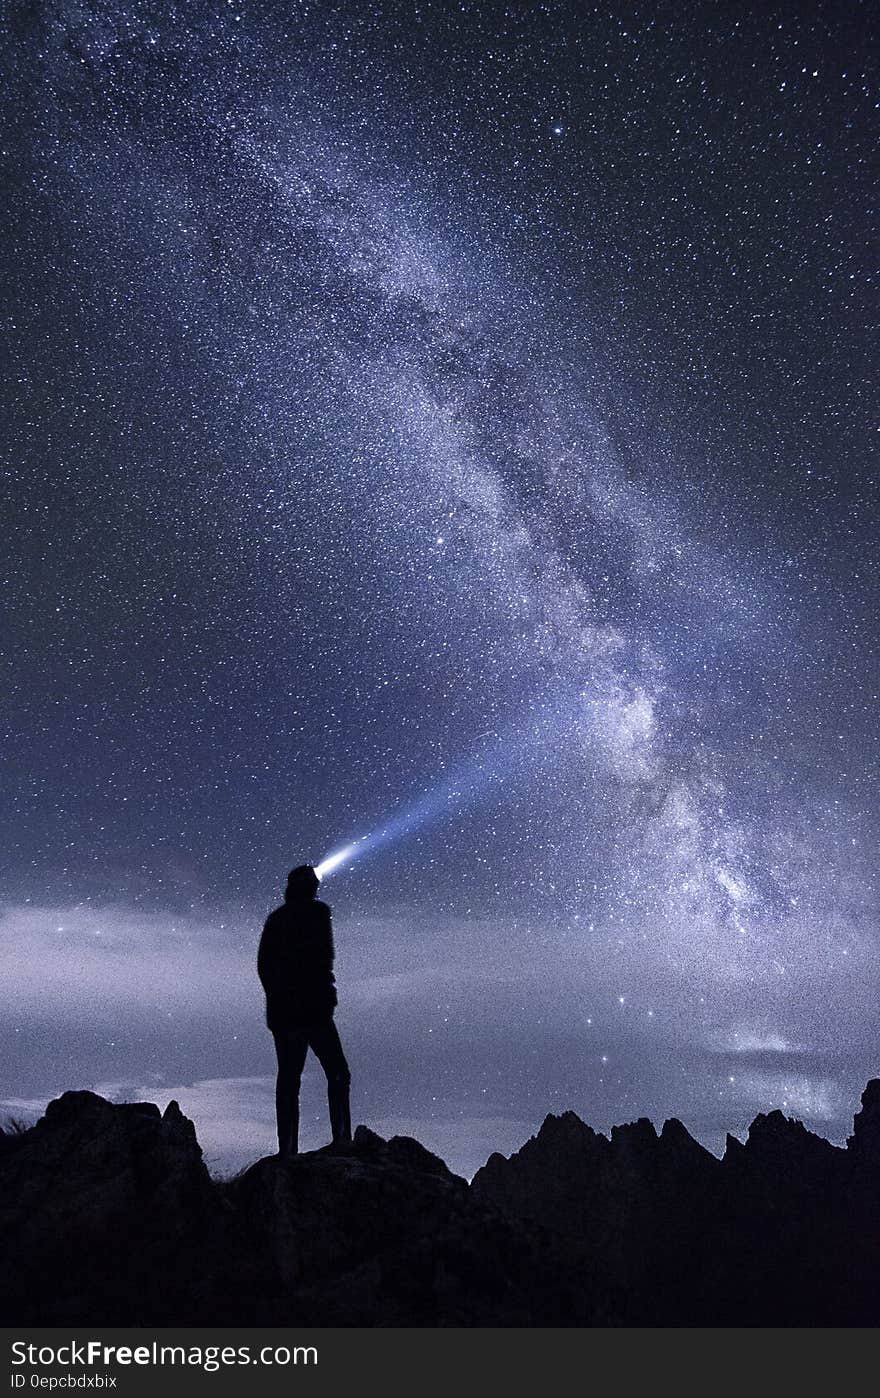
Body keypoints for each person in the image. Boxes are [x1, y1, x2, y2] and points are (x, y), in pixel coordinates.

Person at [257, 864, 352, 1158]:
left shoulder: (276, 919)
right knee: (337, 1073)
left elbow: (264, 966)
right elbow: (324, 959)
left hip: (286, 1013)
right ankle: (342, 1140)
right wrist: (325, 995)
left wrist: (277, 999)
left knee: (289, 1078)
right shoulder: (318, 913)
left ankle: (287, 1149)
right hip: (312, 1010)